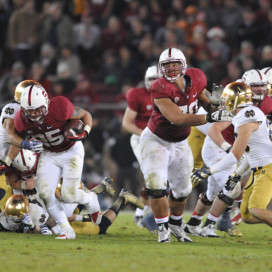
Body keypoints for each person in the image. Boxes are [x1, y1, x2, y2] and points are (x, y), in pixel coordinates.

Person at [138, 47, 232, 243]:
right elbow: (178, 118)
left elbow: (206, 101)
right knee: (156, 186)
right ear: (161, 68)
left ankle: (175, 223)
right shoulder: (159, 87)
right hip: (156, 140)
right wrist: (210, 116)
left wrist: (218, 105)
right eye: (167, 65)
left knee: (183, 190)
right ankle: (162, 228)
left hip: (180, 142)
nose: (171, 69)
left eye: (175, 65)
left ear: (183, 65)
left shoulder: (196, 77)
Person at [187, 69, 272, 237]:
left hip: (258, 163)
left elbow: (237, 153)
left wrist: (209, 170)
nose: (223, 103)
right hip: (223, 148)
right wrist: (237, 172)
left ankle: (207, 224)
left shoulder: (247, 115)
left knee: (244, 201)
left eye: (263, 86)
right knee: (244, 211)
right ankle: (200, 224)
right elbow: (247, 149)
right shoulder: (246, 111)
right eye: (256, 86)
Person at [12, 82, 94, 239]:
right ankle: (67, 231)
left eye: (37, 109)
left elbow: (85, 115)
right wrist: (26, 144)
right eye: (30, 110)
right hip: (49, 153)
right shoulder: (21, 120)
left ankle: (91, 199)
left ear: (46, 103)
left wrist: (85, 133)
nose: (35, 114)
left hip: (70, 150)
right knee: (44, 193)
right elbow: (18, 137)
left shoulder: (59, 107)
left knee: (69, 195)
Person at [122, 64, 160, 226]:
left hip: (162, 139)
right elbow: (126, 123)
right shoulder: (138, 95)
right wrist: (145, 134)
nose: (154, 82)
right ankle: (147, 213)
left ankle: (140, 212)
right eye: (151, 79)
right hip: (140, 138)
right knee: (151, 172)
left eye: (157, 79)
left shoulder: (170, 96)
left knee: (158, 175)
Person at [0, 80, 43, 211]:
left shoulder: (36, 111)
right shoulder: (14, 108)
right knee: (6, 212)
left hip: (15, 163)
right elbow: (11, 136)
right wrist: (26, 145)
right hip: (5, 162)